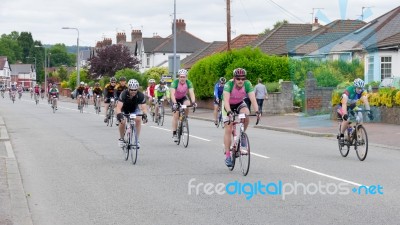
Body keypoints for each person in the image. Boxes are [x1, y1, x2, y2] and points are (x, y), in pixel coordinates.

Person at [222, 68, 260, 167]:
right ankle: (227, 155)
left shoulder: (247, 84)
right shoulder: (228, 85)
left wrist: (257, 111)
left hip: (239, 103)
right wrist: (229, 112)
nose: (241, 81)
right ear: (234, 78)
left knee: (246, 114)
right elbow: (226, 101)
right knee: (229, 129)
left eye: (243, 79)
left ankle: (242, 134)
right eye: (238, 78)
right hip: (227, 105)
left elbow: (253, 99)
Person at [337, 78, 373, 144]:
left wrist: (369, 112)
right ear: (355, 87)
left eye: (361, 88)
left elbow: (365, 101)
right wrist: (345, 114)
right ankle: (341, 135)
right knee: (347, 120)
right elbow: (344, 104)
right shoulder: (348, 91)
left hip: (352, 106)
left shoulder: (362, 91)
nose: (360, 90)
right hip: (342, 106)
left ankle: (359, 136)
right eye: (358, 88)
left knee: (360, 115)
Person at [116, 79, 148, 148]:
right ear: (128, 89)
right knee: (123, 121)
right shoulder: (123, 94)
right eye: (131, 90)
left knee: (138, 119)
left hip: (134, 109)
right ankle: (121, 138)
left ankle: (137, 140)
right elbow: (118, 107)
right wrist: (119, 115)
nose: (133, 91)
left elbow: (144, 108)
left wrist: (145, 115)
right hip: (124, 109)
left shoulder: (140, 95)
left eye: (135, 90)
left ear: (137, 89)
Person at [170, 69, 197, 142]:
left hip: (183, 98)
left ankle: (185, 118)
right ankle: (174, 133)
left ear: (186, 77)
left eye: (184, 77)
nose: (182, 78)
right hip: (175, 99)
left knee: (187, 104)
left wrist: (193, 102)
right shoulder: (175, 83)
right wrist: (175, 104)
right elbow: (172, 94)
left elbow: (191, 93)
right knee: (176, 115)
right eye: (181, 77)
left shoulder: (189, 83)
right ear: (178, 77)